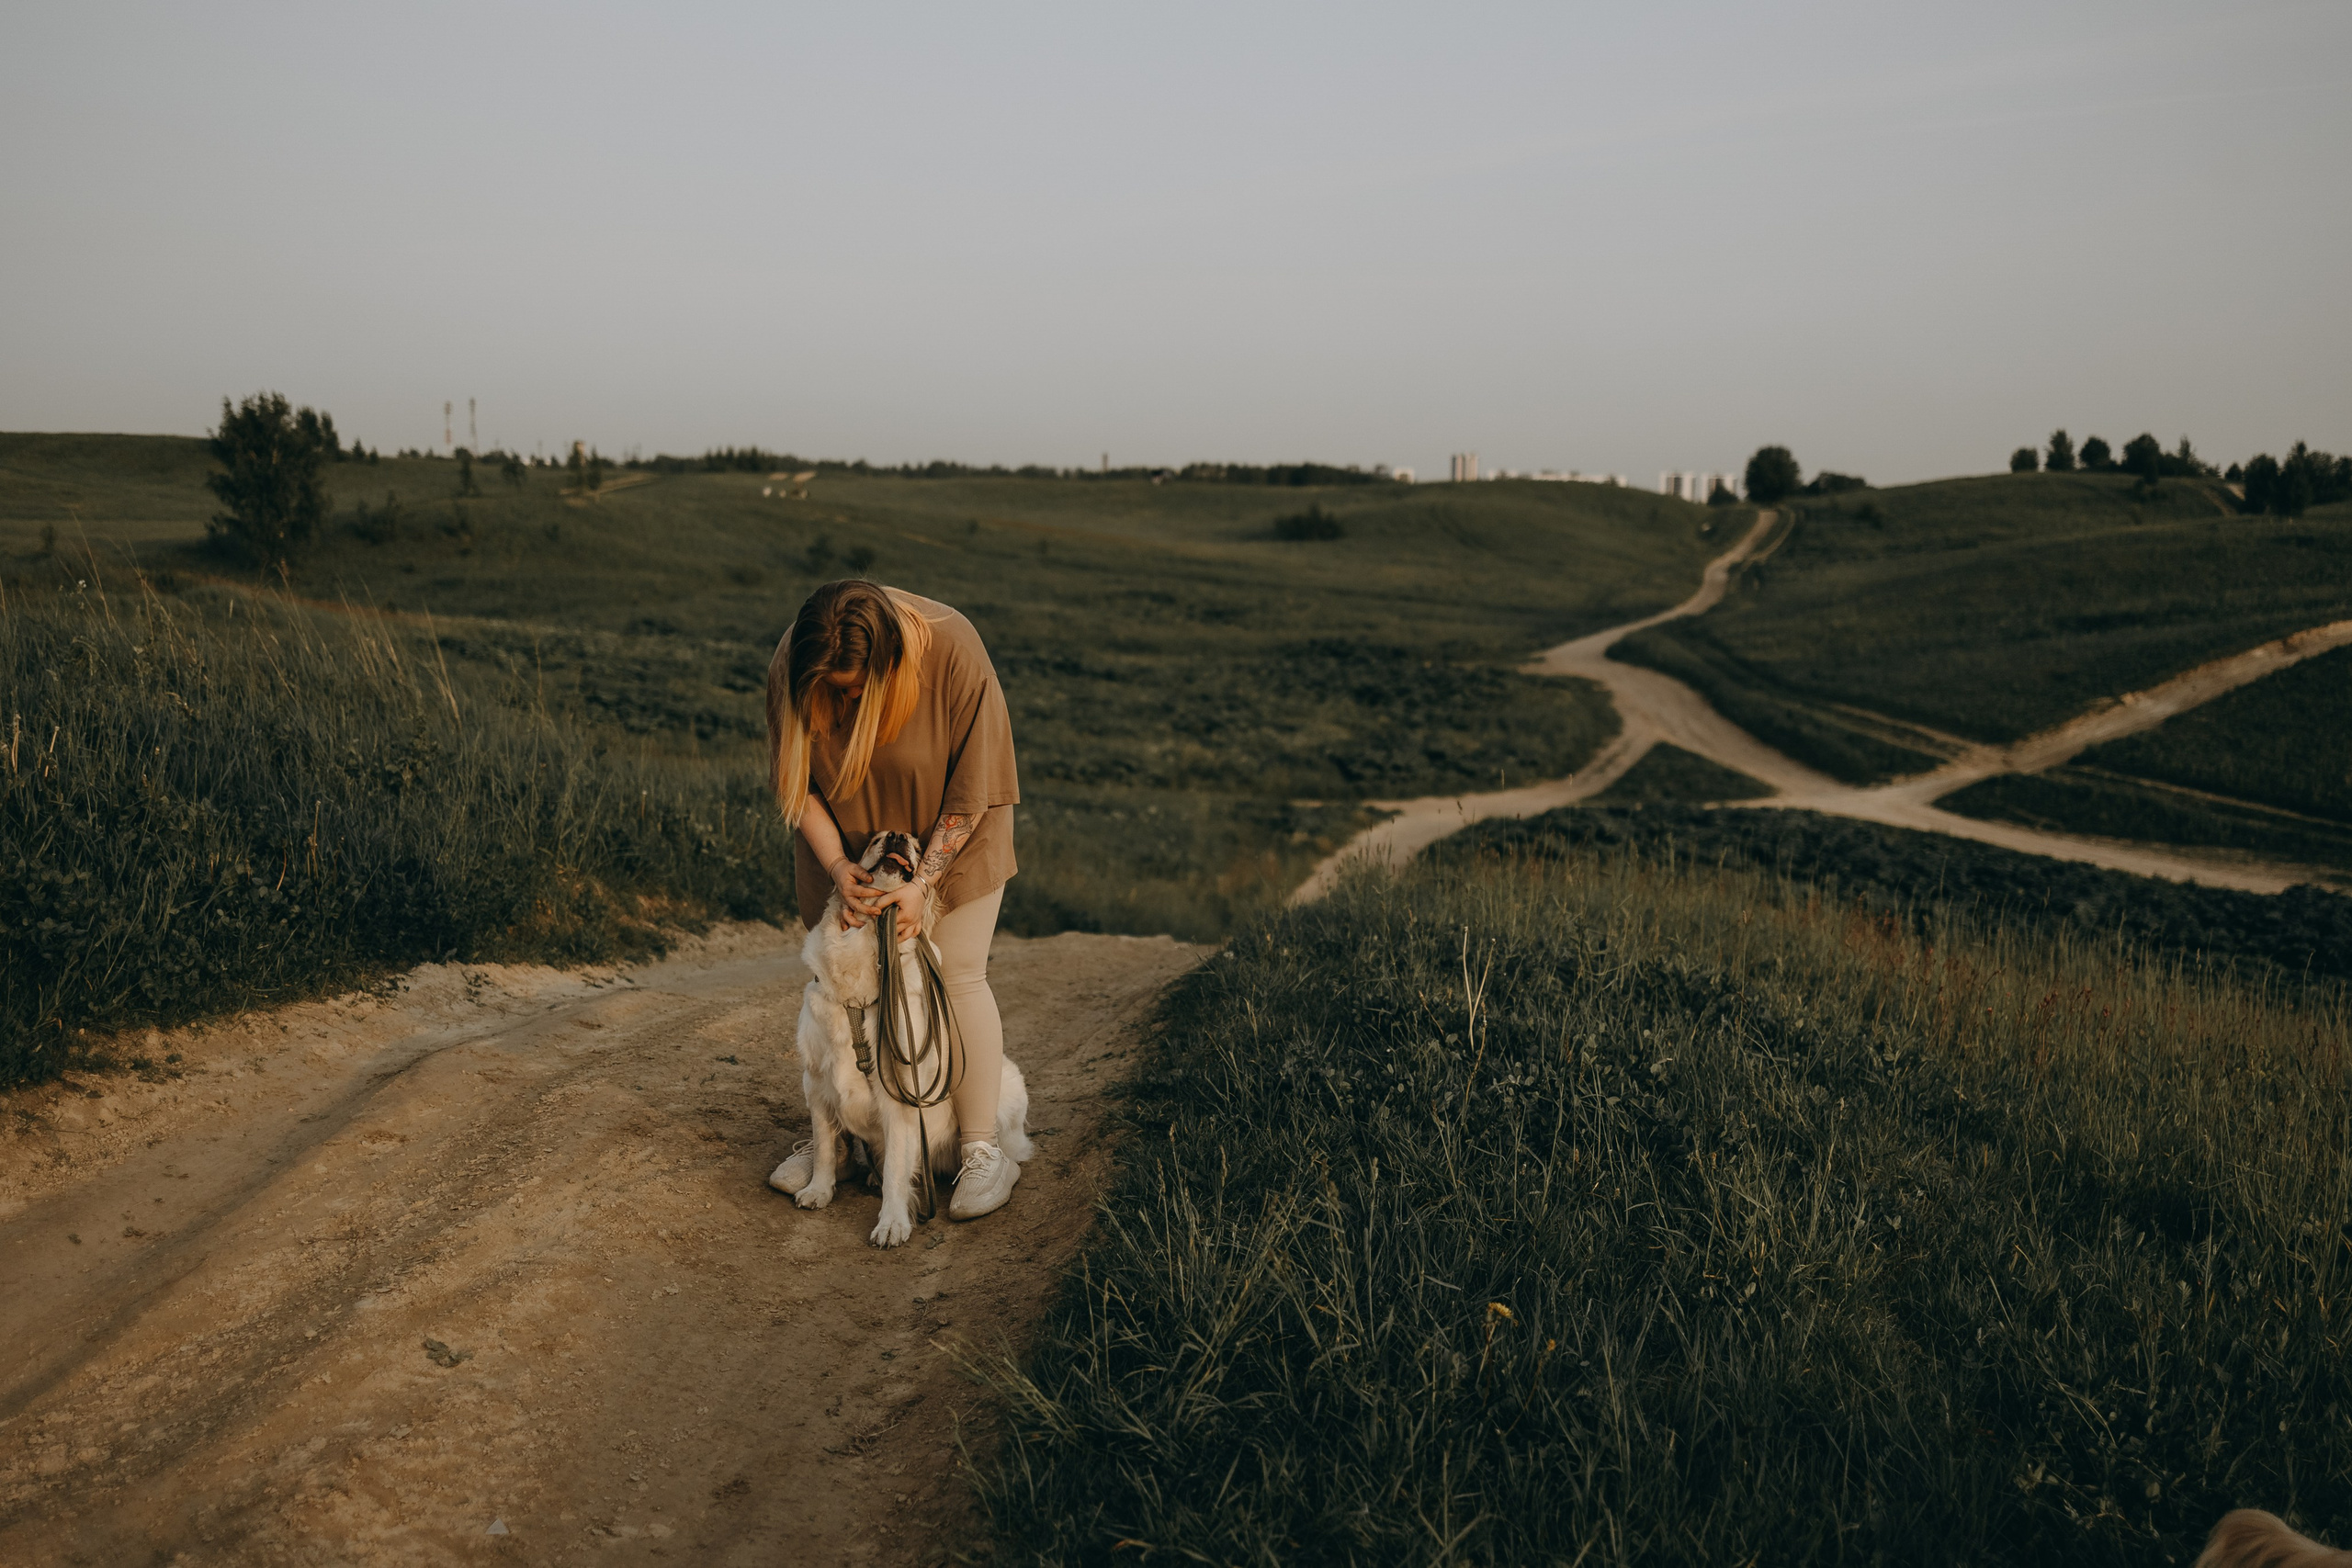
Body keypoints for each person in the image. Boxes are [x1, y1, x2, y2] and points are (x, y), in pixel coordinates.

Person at [762, 580, 1024, 1220]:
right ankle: (845, 1142)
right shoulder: (792, 664)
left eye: (853, 690)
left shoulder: (956, 653)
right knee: (840, 993)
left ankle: (981, 1148)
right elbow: (798, 786)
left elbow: (973, 795)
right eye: (830, 693)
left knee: (955, 980)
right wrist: (837, 865)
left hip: (948, 848)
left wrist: (922, 883)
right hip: (848, 853)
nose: (843, 704)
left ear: (887, 668)